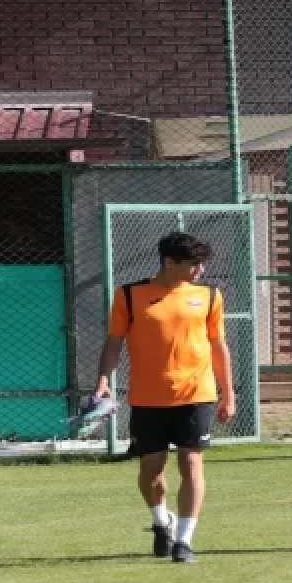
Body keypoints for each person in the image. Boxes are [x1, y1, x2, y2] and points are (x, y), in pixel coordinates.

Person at [94, 232, 236, 564]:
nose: (200, 270)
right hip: (148, 398)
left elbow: (219, 347)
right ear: (169, 263)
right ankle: (161, 521)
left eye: (202, 264)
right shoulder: (129, 296)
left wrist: (228, 394)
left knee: (191, 462)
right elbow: (114, 343)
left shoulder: (209, 296)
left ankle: (184, 542)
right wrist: (103, 380)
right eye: (193, 264)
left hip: (196, 393)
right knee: (151, 470)